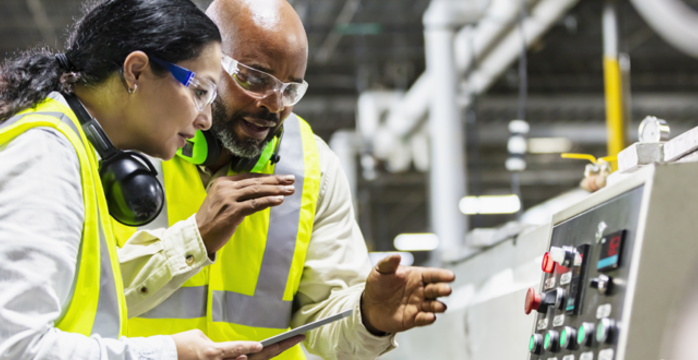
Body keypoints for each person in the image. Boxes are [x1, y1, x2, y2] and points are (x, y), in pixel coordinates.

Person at [113, 0, 456, 359]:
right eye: (256, 78)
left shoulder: (313, 168)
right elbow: (82, 294)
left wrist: (368, 317)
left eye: (290, 88)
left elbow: (326, 319)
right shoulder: (127, 143)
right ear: (206, 64)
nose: (274, 105)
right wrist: (194, 239)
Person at [0, 0, 282, 358]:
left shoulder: (74, 151)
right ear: (135, 72)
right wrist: (170, 353)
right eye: (200, 92)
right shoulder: (45, 155)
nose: (206, 120)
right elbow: (16, 347)